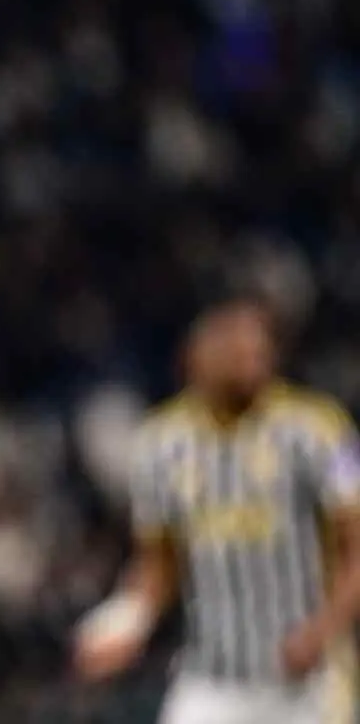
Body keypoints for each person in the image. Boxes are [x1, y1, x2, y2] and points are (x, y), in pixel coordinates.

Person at [73, 297, 360, 723]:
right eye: (236, 351)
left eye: (259, 351)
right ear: (196, 357)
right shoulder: (158, 445)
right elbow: (158, 566)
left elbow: (356, 548)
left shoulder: (320, 429)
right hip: (211, 679)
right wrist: (128, 622)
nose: (251, 362)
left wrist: (323, 630)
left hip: (309, 682)